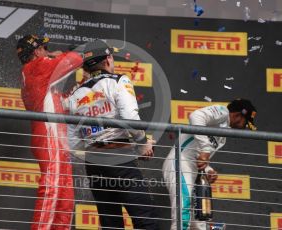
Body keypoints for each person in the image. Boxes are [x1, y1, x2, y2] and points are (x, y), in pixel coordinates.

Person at [67, 39, 159, 229]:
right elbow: (130, 119)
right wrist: (142, 143)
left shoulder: (75, 96)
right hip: (120, 158)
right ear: (108, 59)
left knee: (111, 224)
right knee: (145, 219)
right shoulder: (118, 81)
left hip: (93, 163)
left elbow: (73, 142)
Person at [16, 34, 83, 230]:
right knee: (52, 190)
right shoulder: (36, 67)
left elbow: (60, 103)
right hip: (48, 136)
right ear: (37, 52)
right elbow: (75, 59)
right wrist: (70, 52)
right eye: (45, 49)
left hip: (54, 138)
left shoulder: (40, 77)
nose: (47, 51)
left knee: (65, 195)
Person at [162, 99, 257, 230]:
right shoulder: (222, 112)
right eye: (245, 123)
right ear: (237, 115)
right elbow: (195, 116)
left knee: (199, 221)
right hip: (179, 161)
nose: (244, 127)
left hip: (191, 169)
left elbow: (198, 155)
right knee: (183, 212)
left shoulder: (223, 136)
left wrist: (208, 170)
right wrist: (206, 149)